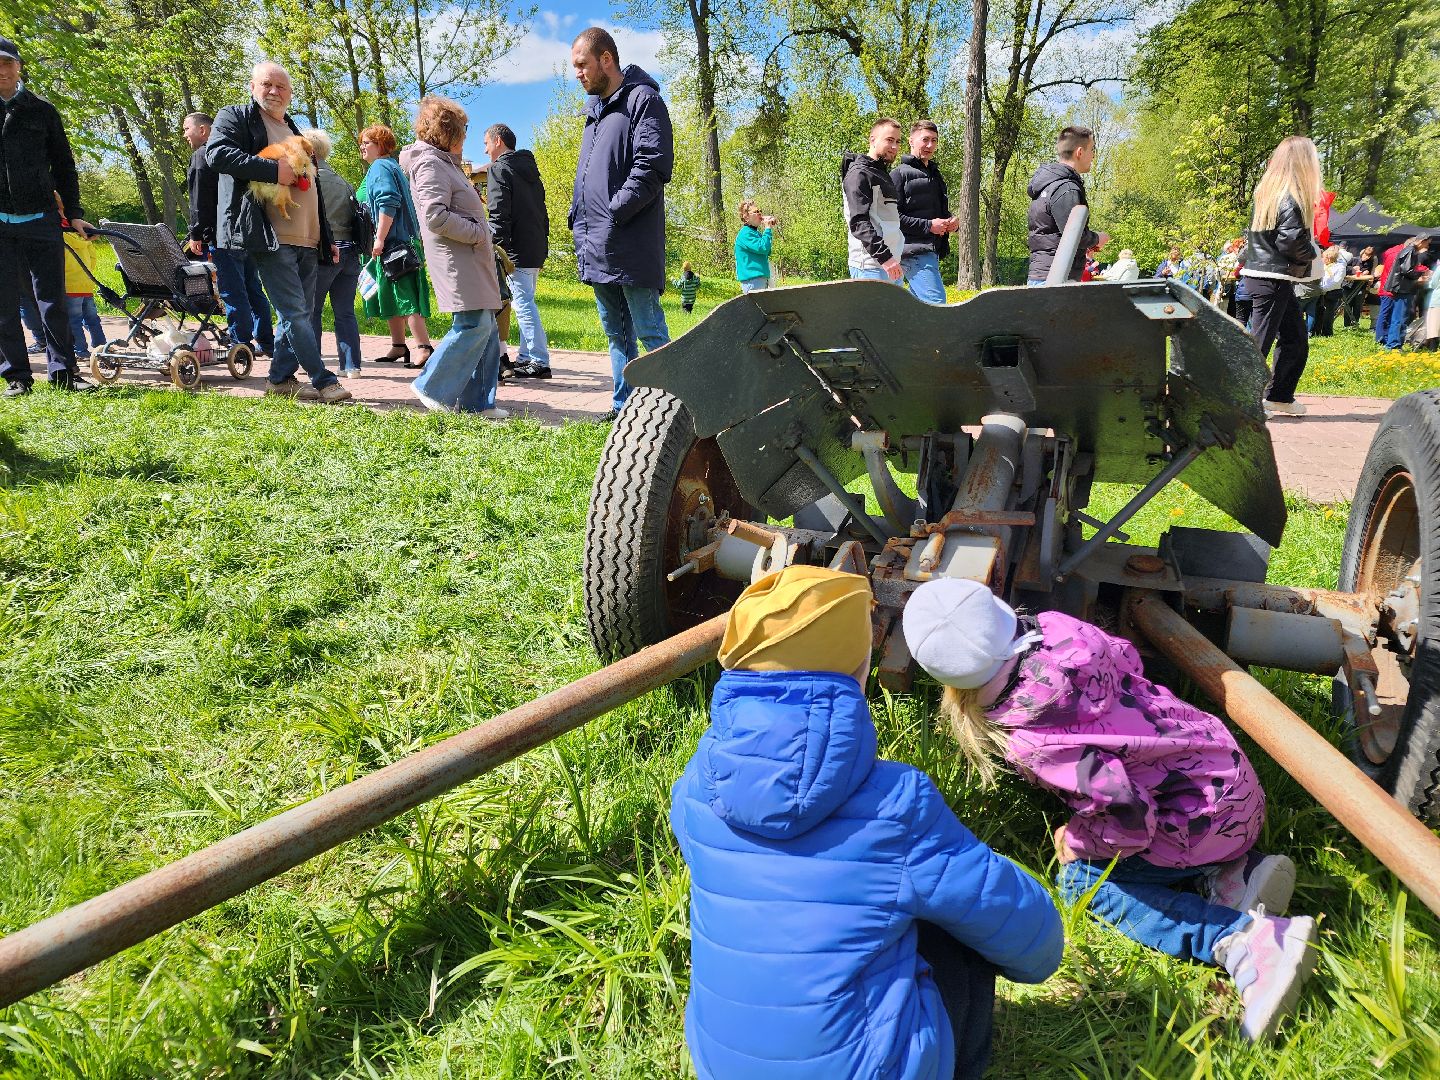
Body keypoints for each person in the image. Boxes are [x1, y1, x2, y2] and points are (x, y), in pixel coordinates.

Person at [671, 565, 1063, 1080]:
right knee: (958, 921)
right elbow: (1031, 940)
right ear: (860, 673)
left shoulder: (695, 788)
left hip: (720, 1065)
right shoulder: (895, 803)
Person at [903, 578, 1319, 1043]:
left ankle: (1240, 939)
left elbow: (1131, 818)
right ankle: (1233, 876)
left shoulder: (1036, 741)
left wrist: (1078, 839)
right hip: (1230, 778)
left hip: (1199, 824)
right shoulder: (1061, 629)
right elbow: (1130, 661)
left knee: (1081, 884)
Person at [206, 62, 350, 403]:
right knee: (296, 312)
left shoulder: (293, 128)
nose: (274, 91)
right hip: (270, 237)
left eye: (281, 86)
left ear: (290, 93)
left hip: (309, 239)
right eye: (266, 84)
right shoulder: (236, 117)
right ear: (252, 87)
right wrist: (272, 171)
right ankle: (323, 379)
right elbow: (217, 154)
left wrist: (326, 237)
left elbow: (313, 187)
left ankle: (280, 379)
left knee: (298, 314)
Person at [569, 26, 673, 422]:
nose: (578, 73)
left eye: (582, 65)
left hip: (629, 238)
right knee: (616, 332)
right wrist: (579, 217)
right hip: (596, 239)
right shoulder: (594, 112)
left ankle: (676, 408)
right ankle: (623, 408)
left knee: (648, 330)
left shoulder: (642, 100)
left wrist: (615, 212)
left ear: (606, 59)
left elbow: (653, 165)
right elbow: (588, 176)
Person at [0, 36, 97, 396]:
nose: (2, 71)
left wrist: (74, 213)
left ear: (19, 66)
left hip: (41, 219)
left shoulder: (42, 110)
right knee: (4, 304)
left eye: (7, 63)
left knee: (53, 299)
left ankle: (64, 372)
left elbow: (64, 166)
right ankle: (16, 376)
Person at [401, 97, 508, 418]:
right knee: (473, 324)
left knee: (487, 328)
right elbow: (435, 216)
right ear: (447, 131)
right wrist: (478, 232)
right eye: (463, 128)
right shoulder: (430, 163)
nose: (466, 135)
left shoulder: (444, 161)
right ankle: (431, 386)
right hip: (457, 258)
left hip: (471, 257)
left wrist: (481, 233)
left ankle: (478, 403)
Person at [1239, 135, 1323, 418]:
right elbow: (1290, 242)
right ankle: (1241, 401)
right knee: (1259, 344)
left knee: (1295, 339)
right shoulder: (1291, 197)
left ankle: (1280, 396)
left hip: (1268, 276)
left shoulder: (1269, 192)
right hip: (1272, 277)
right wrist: (1313, 253)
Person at [184, 110, 274, 360]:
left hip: (222, 234)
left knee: (232, 291)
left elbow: (200, 199)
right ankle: (266, 341)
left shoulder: (202, 155)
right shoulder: (237, 154)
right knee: (253, 288)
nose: (185, 135)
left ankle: (241, 345)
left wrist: (196, 233)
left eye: (186, 129)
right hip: (247, 231)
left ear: (203, 130)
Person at [358, 124, 433, 367]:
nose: (362, 147)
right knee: (392, 293)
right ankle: (399, 346)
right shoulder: (390, 166)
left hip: (395, 244)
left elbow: (388, 202)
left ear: (380, 145)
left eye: (366, 143)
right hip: (400, 242)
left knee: (406, 296)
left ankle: (423, 347)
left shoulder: (380, 167)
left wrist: (379, 238)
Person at [483, 122, 551, 379]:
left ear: (498, 141)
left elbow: (499, 213)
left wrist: (496, 248)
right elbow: (542, 212)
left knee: (523, 304)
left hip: (515, 250)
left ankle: (538, 360)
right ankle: (525, 357)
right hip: (535, 246)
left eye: (486, 143)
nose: (485, 150)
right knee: (527, 301)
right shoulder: (530, 170)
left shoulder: (499, 169)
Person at [304, 129, 363, 378]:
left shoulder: (309, 180)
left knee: (312, 310)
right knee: (345, 312)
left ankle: (313, 364)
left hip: (324, 252)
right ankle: (351, 366)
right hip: (350, 252)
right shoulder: (342, 181)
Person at [1025, 125, 1107, 285]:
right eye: (1092, 150)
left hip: (1043, 275)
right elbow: (1074, 236)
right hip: (1056, 279)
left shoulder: (1048, 185)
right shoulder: (1066, 188)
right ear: (1080, 152)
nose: (1093, 156)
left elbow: (1054, 234)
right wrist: (1098, 238)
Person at [891, 120, 957, 304]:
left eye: (934, 140)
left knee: (917, 311)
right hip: (913, 251)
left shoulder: (935, 175)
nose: (930, 145)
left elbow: (936, 213)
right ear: (911, 141)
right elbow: (892, 218)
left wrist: (951, 222)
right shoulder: (898, 175)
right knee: (937, 306)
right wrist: (929, 226)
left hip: (931, 250)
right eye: (925, 139)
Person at [58, 197, 105, 359]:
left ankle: (81, 351)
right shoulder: (81, 234)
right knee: (92, 318)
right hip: (86, 284)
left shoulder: (59, 236)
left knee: (74, 321)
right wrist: (86, 274)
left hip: (70, 286)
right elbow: (93, 258)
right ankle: (101, 346)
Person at [1378, 236, 1431, 350]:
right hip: (1403, 289)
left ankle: (1393, 343)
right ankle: (1394, 345)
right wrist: (1421, 274)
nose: (1427, 246)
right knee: (1400, 317)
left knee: (1397, 317)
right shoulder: (1410, 251)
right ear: (1421, 242)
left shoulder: (1406, 250)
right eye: (1426, 243)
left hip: (1400, 288)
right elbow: (1407, 270)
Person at [733, 200, 774, 293]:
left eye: (760, 211)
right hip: (752, 281)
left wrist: (769, 226)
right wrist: (767, 229)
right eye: (756, 212)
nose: (760, 214)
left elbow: (768, 251)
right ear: (746, 217)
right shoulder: (745, 233)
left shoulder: (756, 233)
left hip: (760, 279)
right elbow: (763, 248)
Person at [1308, 245, 1347, 337]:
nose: (1322, 259)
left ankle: (1327, 333)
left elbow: (1336, 282)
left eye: (1324, 257)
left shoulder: (1340, 267)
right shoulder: (1322, 265)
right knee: (1317, 312)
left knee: (1328, 314)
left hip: (1331, 293)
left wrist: (1323, 289)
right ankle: (1316, 332)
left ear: (1329, 258)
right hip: (1319, 292)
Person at [1342, 245, 1376, 328]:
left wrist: (1366, 272)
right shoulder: (1354, 259)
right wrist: (1352, 269)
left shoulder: (1370, 263)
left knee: (1358, 305)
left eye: (1369, 256)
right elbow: (1344, 268)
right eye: (1365, 254)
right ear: (1362, 253)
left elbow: (1370, 273)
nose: (1366, 257)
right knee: (1348, 304)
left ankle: (1355, 323)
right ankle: (1347, 324)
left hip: (1360, 286)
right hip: (1349, 285)